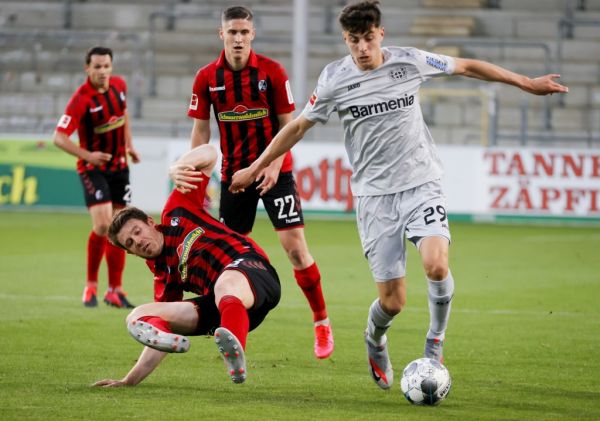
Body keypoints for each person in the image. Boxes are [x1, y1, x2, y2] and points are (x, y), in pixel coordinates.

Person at [230, 0, 568, 390]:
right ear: (345, 39)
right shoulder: (334, 79)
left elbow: (468, 66)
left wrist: (526, 83)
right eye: (354, 40)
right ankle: (375, 338)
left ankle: (434, 342)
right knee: (392, 302)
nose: (362, 48)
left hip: (421, 183)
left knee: (436, 264)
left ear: (381, 35)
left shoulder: (409, 61)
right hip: (375, 198)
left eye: (369, 39)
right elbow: (297, 128)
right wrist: (255, 168)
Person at [187, 5, 333, 359]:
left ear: (253, 35)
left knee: (295, 248)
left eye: (244, 32)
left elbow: (290, 126)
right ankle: (228, 319)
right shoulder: (207, 77)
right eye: (232, 32)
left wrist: (272, 164)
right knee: (229, 255)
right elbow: (202, 132)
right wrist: (197, 179)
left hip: (275, 172)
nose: (238, 38)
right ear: (221, 35)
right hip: (234, 178)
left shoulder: (272, 72)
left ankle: (321, 322)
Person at [93, 144, 281, 387]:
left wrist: (177, 167)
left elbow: (210, 155)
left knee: (225, 283)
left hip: (255, 273)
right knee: (139, 315)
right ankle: (229, 336)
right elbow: (161, 333)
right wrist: (129, 381)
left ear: (151, 223)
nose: (139, 242)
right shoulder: (163, 275)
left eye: (138, 232)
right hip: (229, 310)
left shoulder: (177, 208)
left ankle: (235, 352)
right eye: (131, 243)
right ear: (130, 252)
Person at [53, 46, 140, 309]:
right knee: (103, 226)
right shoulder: (81, 99)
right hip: (93, 169)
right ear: (87, 68)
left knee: (120, 227)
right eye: (97, 67)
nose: (103, 71)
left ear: (111, 67)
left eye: (106, 66)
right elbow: (59, 137)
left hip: (120, 168)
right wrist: (88, 156)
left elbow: (123, 115)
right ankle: (91, 285)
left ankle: (115, 289)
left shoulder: (119, 86)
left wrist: (129, 145)